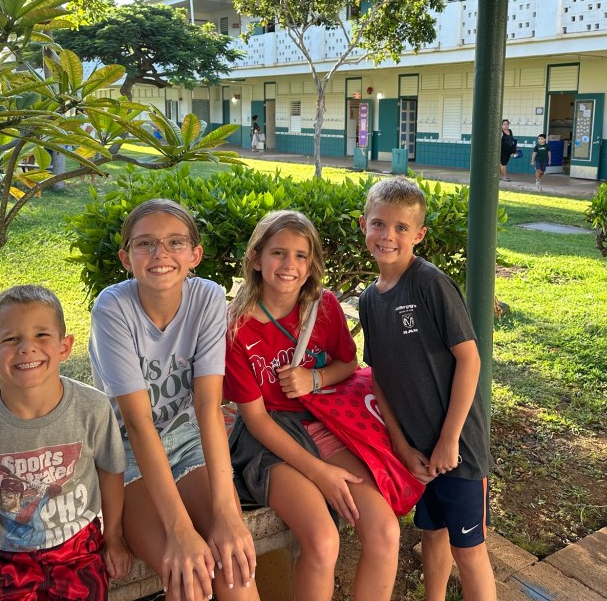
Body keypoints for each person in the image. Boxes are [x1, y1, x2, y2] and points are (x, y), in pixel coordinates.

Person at [88, 199, 259, 601]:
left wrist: (227, 515)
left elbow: (208, 408)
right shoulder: (113, 308)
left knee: (235, 572)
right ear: (126, 258)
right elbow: (137, 425)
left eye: (175, 242)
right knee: (188, 579)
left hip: (188, 441)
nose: (160, 253)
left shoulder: (207, 298)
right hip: (127, 453)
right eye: (145, 243)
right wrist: (180, 529)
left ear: (195, 255)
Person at [225, 210, 399, 601]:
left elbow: (348, 363)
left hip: (322, 422)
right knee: (323, 539)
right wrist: (320, 473)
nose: (290, 265)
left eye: (301, 255)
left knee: (385, 531)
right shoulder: (237, 328)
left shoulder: (324, 306)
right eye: (278, 253)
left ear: (311, 264)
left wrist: (315, 379)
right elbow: (255, 419)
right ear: (256, 258)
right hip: (268, 438)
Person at [0, 285, 132, 599]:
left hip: (77, 547)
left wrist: (114, 537)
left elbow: (110, 470)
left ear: (65, 347)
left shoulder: (93, 408)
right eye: (11, 339)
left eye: (41, 335)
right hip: (1, 554)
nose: (27, 347)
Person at [358, 178, 495, 601]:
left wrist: (449, 440)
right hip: (417, 453)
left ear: (419, 234)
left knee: (469, 551)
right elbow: (378, 378)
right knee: (432, 535)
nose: (388, 236)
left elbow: (470, 360)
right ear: (363, 225)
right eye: (379, 224)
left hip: (459, 450)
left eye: (401, 228)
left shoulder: (431, 284)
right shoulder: (369, 300)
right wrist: (402, 447)